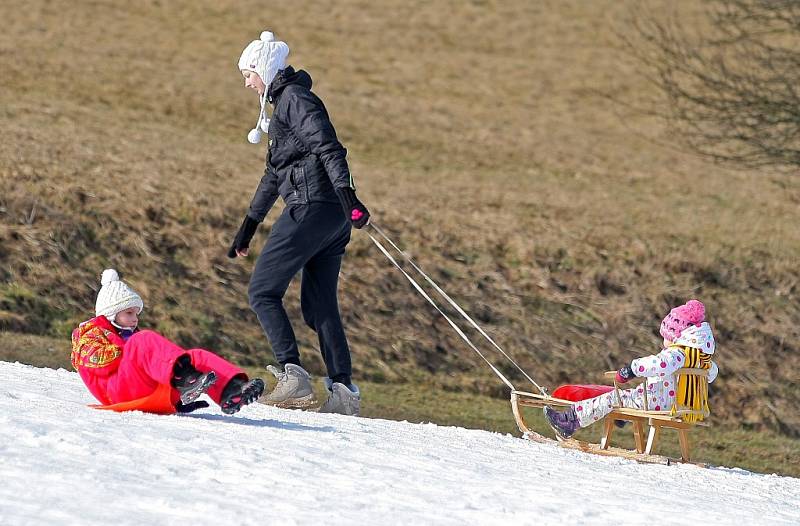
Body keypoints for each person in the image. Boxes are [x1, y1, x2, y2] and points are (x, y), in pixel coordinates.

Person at [227, 31, 369, 416]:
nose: (246, 82)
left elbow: (328, 146)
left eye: (247, 73)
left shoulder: (295, 100)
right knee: (319, 306)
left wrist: (348, 195)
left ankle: (294, 379)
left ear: (263, 69)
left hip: (313, 208)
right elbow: (274, 175)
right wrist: (249, 226)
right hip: (329, 217)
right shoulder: (284, 105)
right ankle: (343, 393)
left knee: (262, 291)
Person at [71, 269, 264, 415]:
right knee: (143, 339)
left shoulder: (129, 334)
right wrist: (130, 349)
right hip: (117, 392)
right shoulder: (90, 334)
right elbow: (97, 364)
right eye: (129, 313)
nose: (135, 319)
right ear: (111, 314)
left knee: (196, 355)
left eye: (136, 314)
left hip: (145, 388)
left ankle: (232, 391)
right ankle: (185, 379)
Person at [544, 299, 719, 438]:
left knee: (612, 397)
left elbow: (659, 364)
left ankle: (569, 421)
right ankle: (622, 418)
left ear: (676, 336)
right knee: (630, 395)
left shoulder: (677, 355)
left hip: (657, 403)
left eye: (666, 336)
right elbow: (711, 375)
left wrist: (631, 369)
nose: (664, 341)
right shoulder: (701, 360)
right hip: (681, 405)